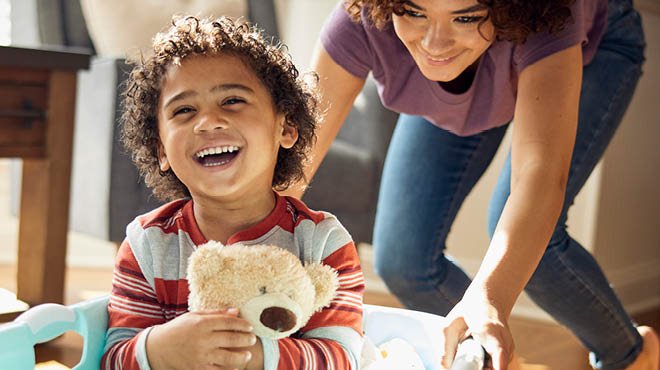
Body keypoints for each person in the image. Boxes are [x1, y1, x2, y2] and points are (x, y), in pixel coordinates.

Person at [287, 0, 659, 369]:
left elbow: (539, 178)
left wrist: (491, 296)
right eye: (415, 12)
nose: (435, 43)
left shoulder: (552, 14)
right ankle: (496, 355)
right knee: (405, 261)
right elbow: (294, 159)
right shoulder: (361, 18)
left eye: (466, 17)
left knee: (530, 246)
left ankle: (631, 354)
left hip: (588, 44)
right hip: (489, 55)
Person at [101, 15, 364, 370]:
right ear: (161, 150)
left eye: (232, 101)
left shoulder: (321, 242)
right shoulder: (148, 243)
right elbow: (114, 359)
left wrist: (258, 357)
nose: (208, 121)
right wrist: (158, 349)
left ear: (285, 127)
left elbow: (342, 358)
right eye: (184, 110)